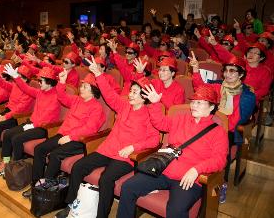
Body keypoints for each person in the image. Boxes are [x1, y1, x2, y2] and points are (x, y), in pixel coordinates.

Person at [55, 56, 160, 218]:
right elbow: (109, 95)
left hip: (126, 156)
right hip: (108, 149)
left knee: (106, 179)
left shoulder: (149, 114)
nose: (130, 95)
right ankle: (70, 206)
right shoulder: (124, 106)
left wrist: (133, 147)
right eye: (130, 91)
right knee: (78, 167)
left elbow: (155, 140)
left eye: (134, 92)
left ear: (144, 97)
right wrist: (98, 75)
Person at [117, 84, 228, 218]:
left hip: (189, 179)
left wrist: (197, 169)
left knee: (176, 210)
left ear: (211, 107)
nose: (194, 105)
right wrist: (155, 104)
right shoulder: (182, 118)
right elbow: (161, 124)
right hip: (165, 170)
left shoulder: (218, 132)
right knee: (128, 187)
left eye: (199, 102)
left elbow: (220, 160)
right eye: (193, 102)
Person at [20, 71, 105, 198]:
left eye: (85, 87)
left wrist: (71, 137)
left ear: (93, 90)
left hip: (79, 140)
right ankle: (36, 184)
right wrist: (62, 82)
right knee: (40, 149)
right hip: (64, 134)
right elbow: (61, 97)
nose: (81, 88)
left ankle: (45, 187)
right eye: (81, 86)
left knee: (55, 155)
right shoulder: (77, 100)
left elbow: (90, 128)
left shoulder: (97, 108)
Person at [189, 52, 256, 203]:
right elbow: (200, 88)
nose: (227, 74)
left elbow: (238, 120)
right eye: (226, 70)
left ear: (241, 74)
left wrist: (218, 128)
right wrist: (195, 70)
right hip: (209, 123)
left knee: (219, 147)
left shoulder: (247, 95)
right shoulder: (217, 85)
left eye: (232, 71)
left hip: (229, 130)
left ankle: (220, 184)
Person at [0, 65, 61, 173]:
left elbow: (48, 116)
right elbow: (25, 88)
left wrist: (33, 125)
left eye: (41, 81)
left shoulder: (56, 96)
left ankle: (16, 167)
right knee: (8, 134)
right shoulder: (41, 92)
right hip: (32, 124)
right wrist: (15, 77)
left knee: (16, 138)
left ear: (50, 82)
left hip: (43, 128)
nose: (39, 83)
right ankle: (6, 161)